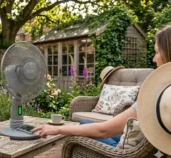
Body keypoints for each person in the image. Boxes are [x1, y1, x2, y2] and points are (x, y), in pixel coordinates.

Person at [32, 24, 171, 148]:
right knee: (86, 121)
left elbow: (103, 131)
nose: (153, 58)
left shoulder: (154, 98)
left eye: (157, 52)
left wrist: (58, 129)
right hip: (149, 150)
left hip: (126, 156)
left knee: (85, 124)